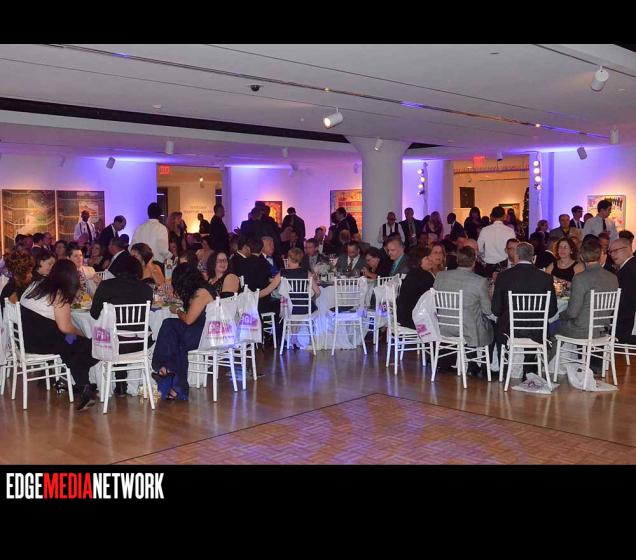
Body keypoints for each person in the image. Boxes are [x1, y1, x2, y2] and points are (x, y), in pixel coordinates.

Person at [20, 260, 99, 410]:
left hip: (28, 338)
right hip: (43, 342)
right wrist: (82, 334)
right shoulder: (58, 293)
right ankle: (84, 386)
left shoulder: (36, 284)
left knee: (73, 345)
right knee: (87, 344)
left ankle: (84, 387)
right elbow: (66, 327)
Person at [90, 254, 154, 397]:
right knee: (121, 333)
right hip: (140, 342)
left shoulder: (106, 286)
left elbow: (94, 314)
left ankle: (96, 383)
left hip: (112, 343)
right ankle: (121, 384)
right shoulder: (146, 289)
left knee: (111, 334)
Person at [491, 242, 558, 380]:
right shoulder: (545, 278)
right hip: (537, 331)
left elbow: (496, 310)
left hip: (509, 330)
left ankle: (505, 368)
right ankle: (530, 366)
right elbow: (552, 311)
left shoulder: (504, 276)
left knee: (497, 323)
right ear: (533, 257)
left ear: (516, 255)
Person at [150, 264, 215, 401]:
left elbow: (189, 320)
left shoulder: (201, 293)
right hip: (203, 332)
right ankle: (175, 386)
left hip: (203, 336)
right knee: (175, 340)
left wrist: (177, 311)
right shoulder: (203, 289)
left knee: (169, 325)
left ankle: (163, 368)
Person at [433, 246, 494, 378]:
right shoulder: (480, 281)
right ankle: (479, 365)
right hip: (468, 330)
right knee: (490, 325)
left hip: (443, 326)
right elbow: (487, 310)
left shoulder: (441, 276)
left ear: (457, 260)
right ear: (474, 262)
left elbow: (435, 301)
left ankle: (453, 362)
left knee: (472, 317)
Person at [555, 237, 619, 340]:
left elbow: (572, 312)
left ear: (581, 257)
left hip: (582, 330)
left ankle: (552, 351)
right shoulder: (613, 277)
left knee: (553, 327)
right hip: (603, 329)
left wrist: (561, 315)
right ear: (599, 256)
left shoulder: (580, 278)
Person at [396, 247, 435, 329]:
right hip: (416, 321)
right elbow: (431, 301)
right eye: (427, 258)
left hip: (403, 318)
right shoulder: (425, 277)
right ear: (419, 260)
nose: (431, 260)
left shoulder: (411, 273)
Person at [609, 238, 636, 345]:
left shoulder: (627, 270)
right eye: (610, 252)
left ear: (629, 249)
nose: (612, 255)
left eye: (616, 250)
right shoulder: (630, 266)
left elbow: (624, 302)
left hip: (628, 323)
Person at [280, 247, 320, 315]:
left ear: (289, 258)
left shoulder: (283, 272)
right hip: (306, 308)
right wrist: (311, 299)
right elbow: (318, 292)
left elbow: (269, 289)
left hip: (289, 308)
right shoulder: (306, 272)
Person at [477, 206, 513, 277]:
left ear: (492, 216)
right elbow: (512, 250)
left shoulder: (485, 230)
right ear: (504, 216)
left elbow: (478, 248)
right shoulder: (510, 231)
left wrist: (484, 255)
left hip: (488, 266)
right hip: (504, 266)